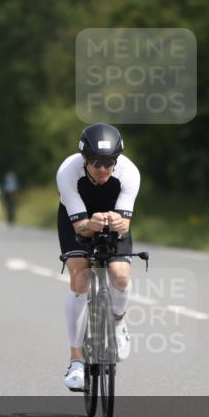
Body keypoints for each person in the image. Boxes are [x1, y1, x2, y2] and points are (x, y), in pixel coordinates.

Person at [57, 123, 140, 391]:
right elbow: (80, 227)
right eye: (95, 162)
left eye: (108, 162)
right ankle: (76, 360)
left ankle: (118, 322)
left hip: (113, 217)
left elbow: (126, 225)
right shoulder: (68, 172)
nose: (103, 168)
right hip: (77, 217)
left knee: (120, 276)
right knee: (80, 278)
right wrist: (90, 224)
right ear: (84, 159)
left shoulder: (129, 173)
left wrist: (118, 222)